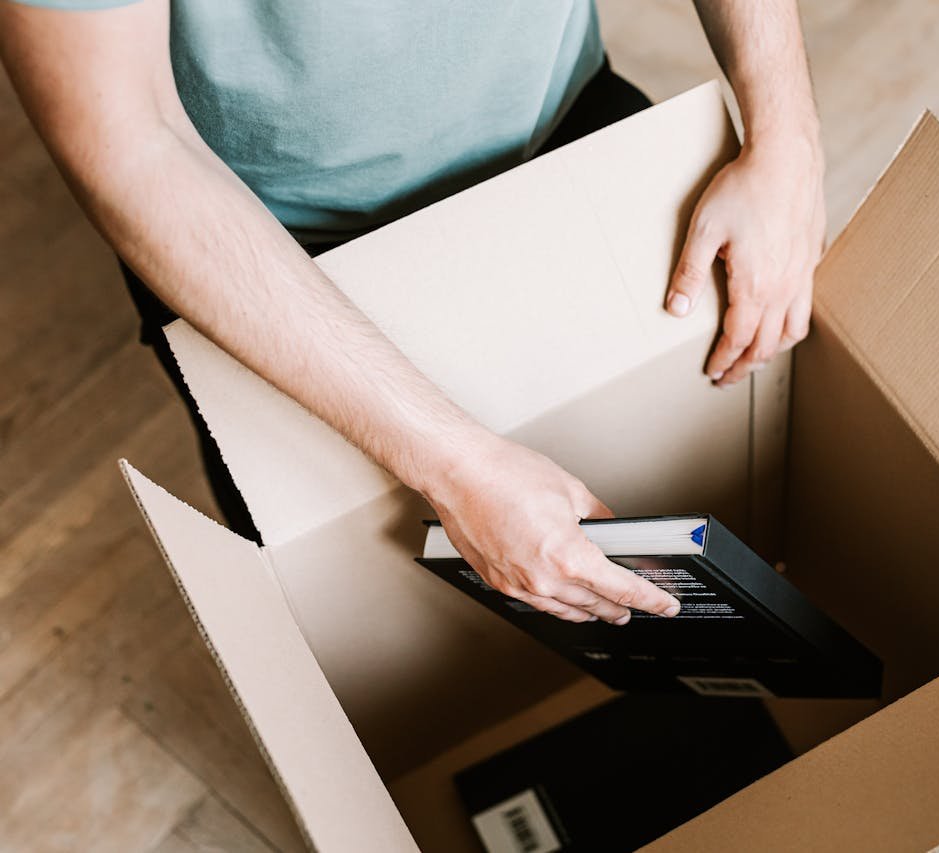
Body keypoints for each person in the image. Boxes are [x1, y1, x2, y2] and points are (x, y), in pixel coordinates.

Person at [0, 0, 825, 627]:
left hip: (566, 125)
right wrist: (454, 465)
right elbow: (130, 140)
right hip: (269, 251)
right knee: (347, 602)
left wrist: (786, 132)